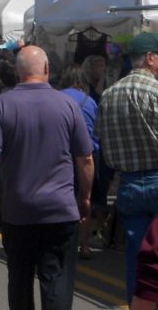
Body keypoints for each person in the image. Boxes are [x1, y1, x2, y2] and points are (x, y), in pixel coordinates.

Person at [0, 46, 94, 310]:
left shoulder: (2, 104)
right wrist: (85, 196)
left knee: (19, 279)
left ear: (18, 71)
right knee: (57, 279)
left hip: (18, 211)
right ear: (46, 69)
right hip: (60, 210)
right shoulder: (68, 104)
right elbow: (85, 158)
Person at [96, 32, 158, 299]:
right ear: (150, 59)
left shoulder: (109, 95)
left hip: (129, 185)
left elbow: (103, 144)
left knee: (138, 259)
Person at [58, 65, 101, 260]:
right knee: (85, 199)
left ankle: (63, 243)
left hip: (61, 157)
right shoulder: (90, 101)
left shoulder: (56, 98)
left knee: (62, 198)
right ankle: (84, 245)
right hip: (87, 156)